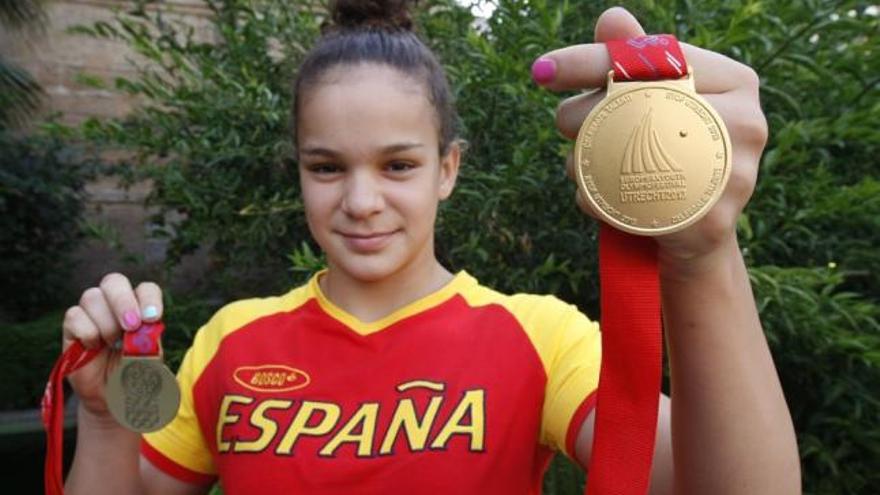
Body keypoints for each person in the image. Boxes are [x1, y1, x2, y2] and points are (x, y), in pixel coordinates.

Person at [60, 2, 801, 494]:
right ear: (298, 170)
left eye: (398, 164)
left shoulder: (540, 336)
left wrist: (703, 255)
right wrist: (101, 415)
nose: (359, 200)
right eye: (326, 166)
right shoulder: (232, 338)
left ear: (449, 168)